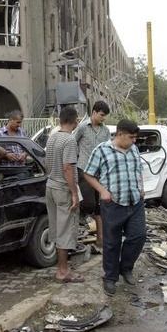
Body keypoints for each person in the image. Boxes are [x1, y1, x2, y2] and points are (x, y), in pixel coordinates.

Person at [83, 119, 146, 297]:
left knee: (139, 236)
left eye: (135, 137)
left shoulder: (134, 149)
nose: (134, 141)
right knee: (112, 243)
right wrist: (102, 191)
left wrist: (141, 188)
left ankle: (125, 268)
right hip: (113, 204)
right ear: (120, 134)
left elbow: (138, 170)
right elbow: (88, 174)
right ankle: (110, 277)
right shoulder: (102, 150)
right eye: (131, 137)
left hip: (135, 202)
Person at [44, 106, 83, 283]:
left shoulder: (52, 138)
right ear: (74, 121)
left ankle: (61, 268)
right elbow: (68, 168)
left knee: (57, 229)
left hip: (50, 186)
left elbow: (47, 164)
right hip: (62, 189)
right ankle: (63, 271)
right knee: (66, 231)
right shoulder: (69, 140)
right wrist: (74, 193)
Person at [73, 100, 110, 248]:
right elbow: (72, 143)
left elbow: (107, 150)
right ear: (94, 112)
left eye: (105, 116)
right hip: (83, 170)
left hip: (99, 173)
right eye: (101, 115)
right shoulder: (82, 128)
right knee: (88, 204)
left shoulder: (105, 131)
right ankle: (81, 222)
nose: (103, 118)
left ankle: (100, 239)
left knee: (99, 207)